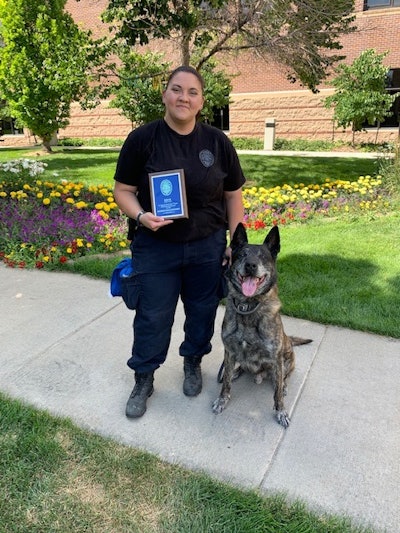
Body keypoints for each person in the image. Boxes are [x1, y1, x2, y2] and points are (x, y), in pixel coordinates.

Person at [113, 65, 246, 418]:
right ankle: (144, 377)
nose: (183, 97)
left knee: (201, 311)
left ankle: (193, 362)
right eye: (176, 89)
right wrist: (141, 215)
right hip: (156, 247)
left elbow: (233, 195)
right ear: (164, 94)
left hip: (207, 246)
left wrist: (237, 241)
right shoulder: (143, 139)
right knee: (152, 316)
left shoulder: (217, 142)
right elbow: (123, 191)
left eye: (192, 92)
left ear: (202, 101)